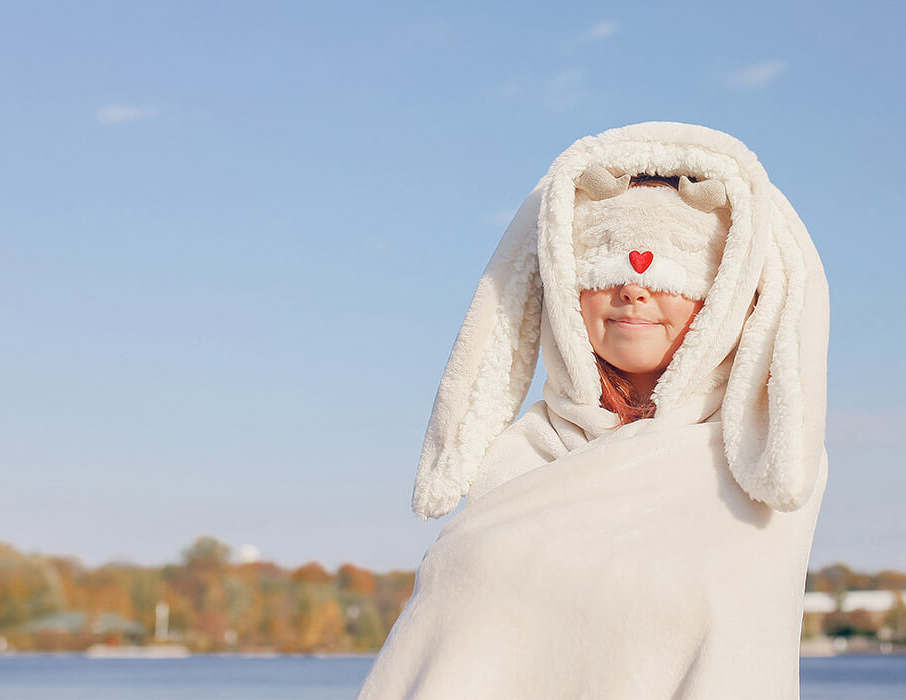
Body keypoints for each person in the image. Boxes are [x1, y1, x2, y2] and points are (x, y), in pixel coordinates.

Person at [356, 121, 830, 699]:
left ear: (730, 293)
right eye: (604, 257)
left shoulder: (757, 463)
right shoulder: (513, 461)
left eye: (677, 267)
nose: (634, 286)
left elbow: (740, 657)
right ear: (561, 278)